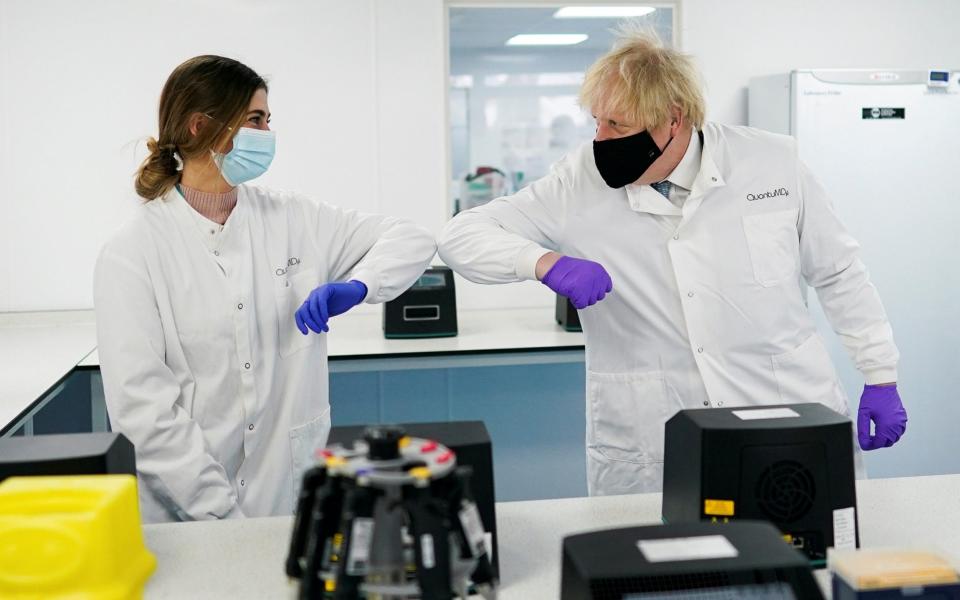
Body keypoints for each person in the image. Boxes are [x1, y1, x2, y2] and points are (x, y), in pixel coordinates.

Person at [437, 30, 907, 496]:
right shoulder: (577, 180)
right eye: (596, 122)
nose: (601, 139)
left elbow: (839, 272)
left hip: (780, 408)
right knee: (663, 563)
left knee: (807, 552)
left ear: (672, 120)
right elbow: (460, 236)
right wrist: (541, 262)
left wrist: (880, 374)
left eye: (618, 126)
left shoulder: (770, 161)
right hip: (654, 434)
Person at [94, 55, 436, 522]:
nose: (267, 134)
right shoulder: (132, 253)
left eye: (268, 120)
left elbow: (412, 238)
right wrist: (222, 517)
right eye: (255, 119)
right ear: (199, 126)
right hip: (186, 515)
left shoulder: (294, 219)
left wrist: (360, 285)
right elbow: (145, 414)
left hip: (288, 495)